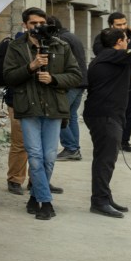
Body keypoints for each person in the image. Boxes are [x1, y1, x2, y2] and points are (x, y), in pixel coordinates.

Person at [3, 7, 82, 220]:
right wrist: (31, 66)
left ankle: (34, 197)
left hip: (53, 108)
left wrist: (54, 79)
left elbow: (76, 75)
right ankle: (46, 202)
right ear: (25, 25)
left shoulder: (60, 45)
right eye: (33, 23)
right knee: (35, 156)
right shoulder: (16, 47)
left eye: (41, 23)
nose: (38, 27)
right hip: (28, 108)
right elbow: (8, 77)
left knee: (49, 157)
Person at [85, 27, 131, 217]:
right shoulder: (112, 55)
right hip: (105, 116)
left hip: (105, 115)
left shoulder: (108, 57)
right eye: (126, 39)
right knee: (105, 160)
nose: (128, 42)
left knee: (105, 159)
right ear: (119, 42)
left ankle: (105, 196)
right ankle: (99, 201)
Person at [92, 12, 131, 152]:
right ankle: (110, 139)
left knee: (129, 112)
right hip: (112, 80)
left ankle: (124, 141)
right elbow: (100, 52)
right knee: (110, 113)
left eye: (124, 23)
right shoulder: (103, 37)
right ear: (111, 25)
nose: (122, 27)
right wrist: (124, 53)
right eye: (118, 25)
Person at [48, 16, 88, 161]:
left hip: (71, 83)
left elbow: (59, 63)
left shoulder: (61, 39)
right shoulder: (71, 36)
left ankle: (71, 148)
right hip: (80, 82)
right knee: (71, 116)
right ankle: (73, 149)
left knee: (58, 114)